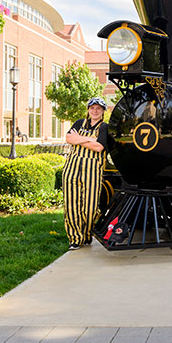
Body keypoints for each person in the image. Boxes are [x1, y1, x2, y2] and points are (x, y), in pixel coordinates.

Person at [62, 97, 109, 251]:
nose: (95, 111)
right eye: (92, 108)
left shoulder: (104, 127)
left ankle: (87, 233)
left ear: (102, 111)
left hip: (93, 170)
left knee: (90, 207)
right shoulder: (78, 123)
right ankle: (75, 239)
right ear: (88, 110)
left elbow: (99, 147)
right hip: (72, 168)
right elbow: (69, 138)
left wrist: (79, 139)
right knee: (71, 205)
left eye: (98, 108)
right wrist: (89, 139)